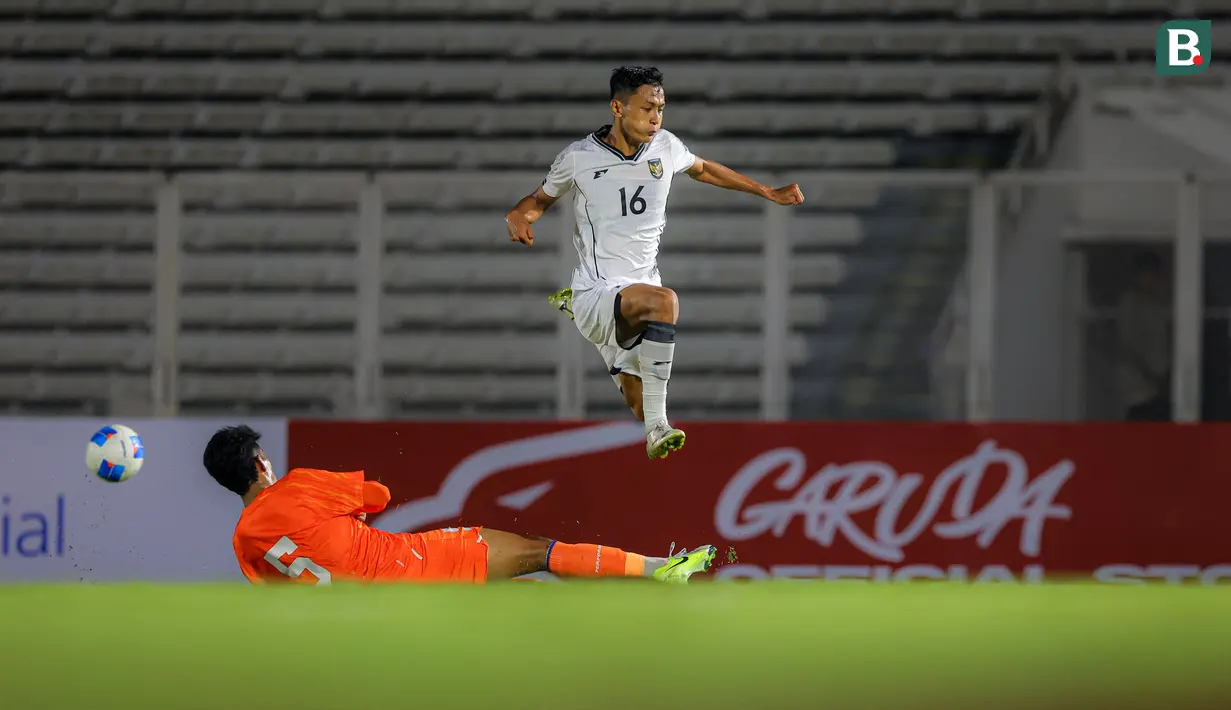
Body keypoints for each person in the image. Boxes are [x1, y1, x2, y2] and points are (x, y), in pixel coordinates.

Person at [504, 65, 805, 459]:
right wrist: (518, 216)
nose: (655, 117)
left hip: (636, 293)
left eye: (661, 108)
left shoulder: (665, 146)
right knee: (667, 303)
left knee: (638, 401)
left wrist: (767, 191)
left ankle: (651, 421)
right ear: (617, 107)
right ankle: (657, 424)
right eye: (647, 108)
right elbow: (539, 200)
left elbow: (703, 168)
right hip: (600, 291)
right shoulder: (579, 158)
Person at [204, 425, 715, 585]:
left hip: (367, 621)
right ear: (259, 462)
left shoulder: (243, 541)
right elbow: (378, 496)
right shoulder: (295, 487)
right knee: (536, 551)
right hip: (411, 563)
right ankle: (658, 569)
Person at [1116, 251, 1171, 421]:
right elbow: (1130, 344)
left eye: (1154, 275)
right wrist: (1153, 374)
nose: (1151, 279)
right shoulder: (1130, 303)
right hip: (1139, 389)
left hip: (1159, 387)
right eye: (1147, 274)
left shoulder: (1156, 304)